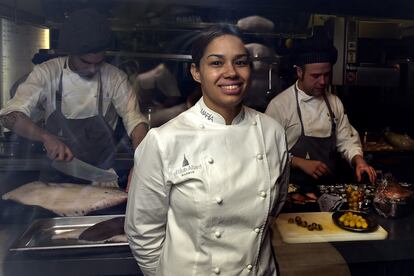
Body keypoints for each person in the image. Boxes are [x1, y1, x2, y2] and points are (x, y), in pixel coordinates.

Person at [125, 24, 289, 276]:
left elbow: (275, 205)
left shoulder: (272, 132)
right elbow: (143, 230)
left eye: (240, 62)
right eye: (216, 63)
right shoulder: (163, 140)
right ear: (196, 72)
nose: (231, 72)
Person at [0, 9, 148, 184]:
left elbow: (135, 121)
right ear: (70, 52)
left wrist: (142, 163)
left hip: (101, 179)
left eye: (98, 63)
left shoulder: (115, 78)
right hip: (54, 178)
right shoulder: (47, 72)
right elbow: (9, 117)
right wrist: (45, 137)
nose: (93, 69)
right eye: (85, 62)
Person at [265, 30, 376, 199]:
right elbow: (267, 152)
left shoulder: (334, 102)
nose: (323, 81)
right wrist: (299, 162)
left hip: (327, 191)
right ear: (299, 72)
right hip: (291, 193)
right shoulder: (280, 106)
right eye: (316, 76)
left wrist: (358, 160)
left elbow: (346, 139)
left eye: (327, 75)